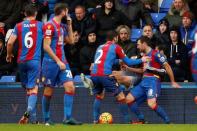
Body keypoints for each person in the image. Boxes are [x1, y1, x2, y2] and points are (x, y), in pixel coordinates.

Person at [89, 31, 150, 123]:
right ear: (115, 38)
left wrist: (118, 61)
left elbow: (103, 61)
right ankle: (127, 121)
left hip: (94, 74)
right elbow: (129, 62)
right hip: (105, 75)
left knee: (99, 96)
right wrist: (141, 59)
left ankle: (95, 120)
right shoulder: (116, 47)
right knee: (121, 97)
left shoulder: (100, 47)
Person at [41, 3, 82, 125]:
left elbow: (72, 41)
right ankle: (47, 119)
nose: (68, 14)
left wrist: (69, 24)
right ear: (63, 11)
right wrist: (57, 61)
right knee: (48, 91)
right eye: (67, 11)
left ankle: (67, 118)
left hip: (63, 62)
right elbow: (46, 47)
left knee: (70, 87)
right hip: (50, 63)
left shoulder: (63, 26)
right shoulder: (49, 25)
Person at [125, 36, 180, 124]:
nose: (137, 47)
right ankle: (142, 119)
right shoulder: (145, 57)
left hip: (153, 81)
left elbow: (167, 67)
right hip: (143, 82)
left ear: (144, 44)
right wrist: (128, 68)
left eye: (138, 44)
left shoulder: (156, 54)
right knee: (128, 99)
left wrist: (172, 81)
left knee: (151, 104)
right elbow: (143, 70)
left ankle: (168, 122)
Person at [6, 4, 43, 124]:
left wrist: (9, 54)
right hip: (34, 61)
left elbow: (10, 43)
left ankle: (34, 121)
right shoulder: (40, 25)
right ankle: (28, 112)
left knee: (28, 89)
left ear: (25, 14)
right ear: (36, 13)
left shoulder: (18, 26)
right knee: (34, 89)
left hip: (21, 62)